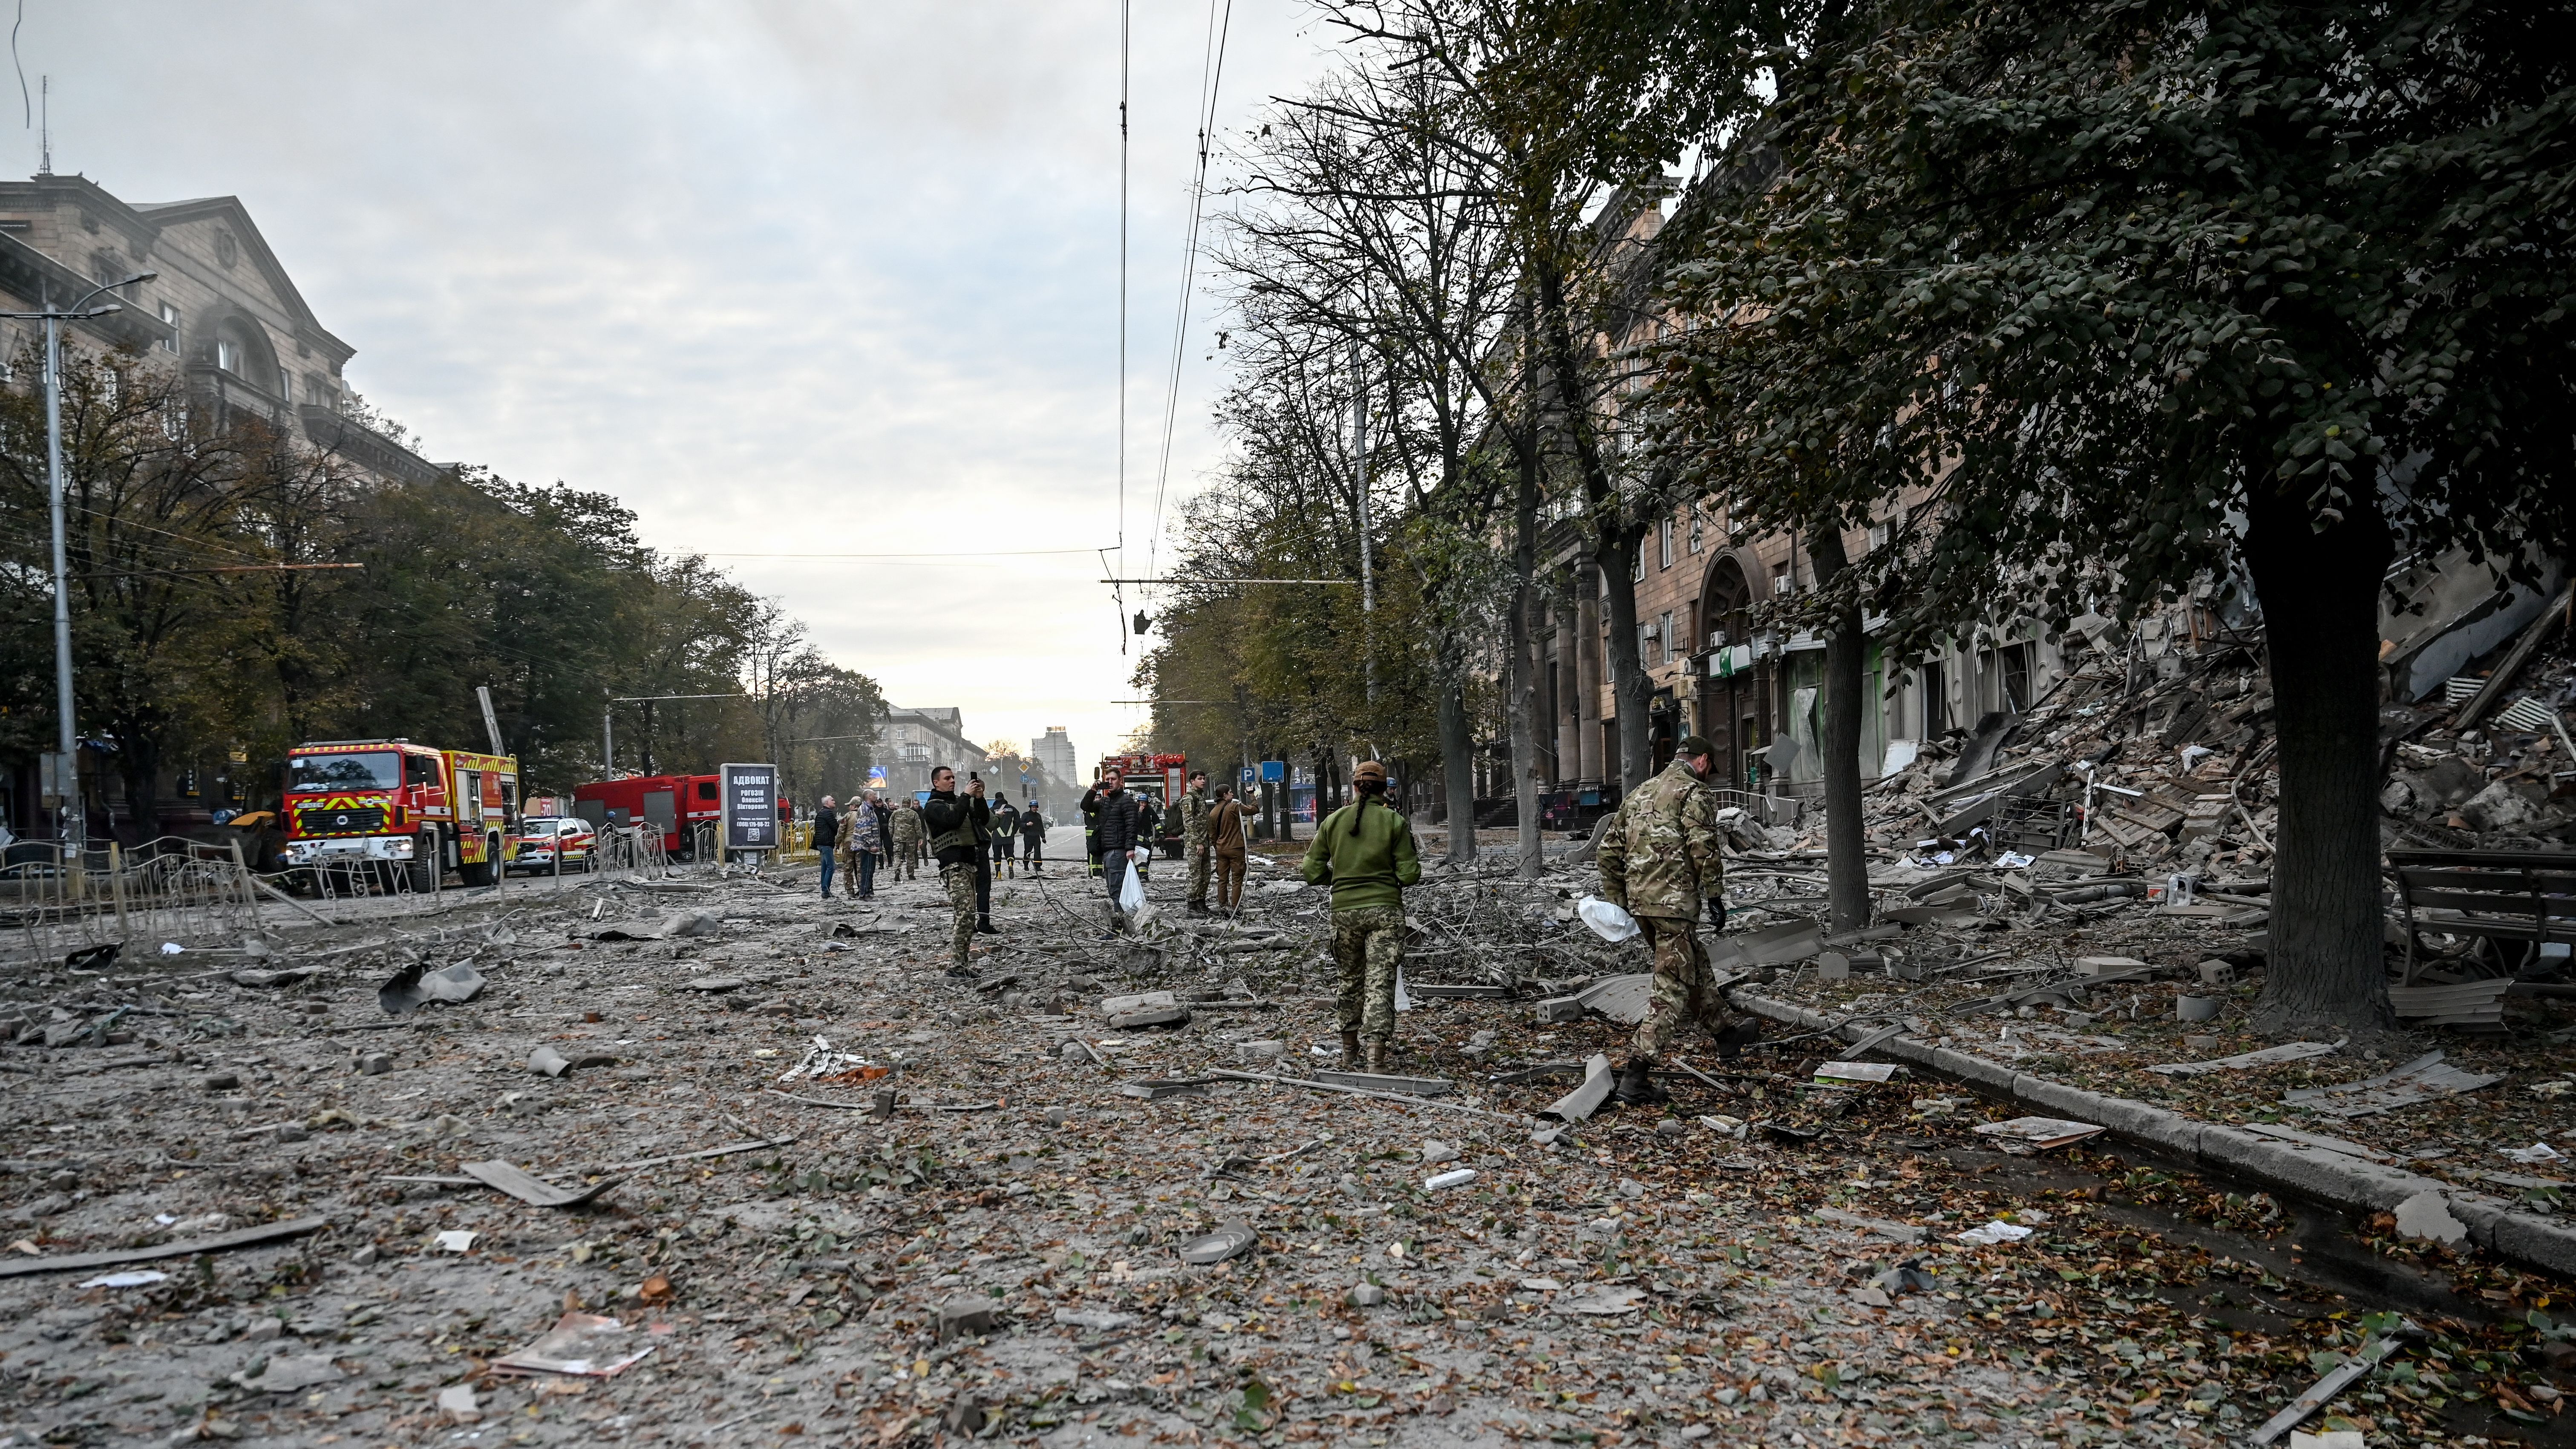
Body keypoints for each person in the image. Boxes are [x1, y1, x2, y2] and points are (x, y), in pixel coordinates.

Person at [1597, 733, 1760, 1107]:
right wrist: (1716, 895)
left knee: (1695, 966)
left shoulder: (1640, 792)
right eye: (1709, 768)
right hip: (1674, 908)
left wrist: (1621, 901)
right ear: (1702, 760)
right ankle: (1636, 1076)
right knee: (1671, 987)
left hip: (1643, 908)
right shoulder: (1694, 793)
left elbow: (1607, 852)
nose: (1708, 775)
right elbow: (1703, 845)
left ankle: (1726, 1036)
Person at [1301, 759, 1421, 1071]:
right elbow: (1409, 875)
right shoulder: (1394, 822)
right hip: (1385, 911)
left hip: (1344, 912)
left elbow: (1311, 871)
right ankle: (1376, 1058)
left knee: (1349, 979)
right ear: (1384, 789)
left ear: (1354, 787)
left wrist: (1340, 880)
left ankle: (1348, 1052)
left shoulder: (1333, 821)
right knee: (1380, 982)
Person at [920, 765, 990, 979]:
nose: (952, 781)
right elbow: (953, 820)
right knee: (966, 914)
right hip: (954, 867)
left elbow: (983, 820)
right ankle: (956, 967)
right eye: (947, 778)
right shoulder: (933, 807)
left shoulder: (960, 803)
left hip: (970, 864)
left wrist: (978, 798)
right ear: (936, 783)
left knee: (965, 915)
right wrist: (966, 796)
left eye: (954, 778)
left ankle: (962, 964)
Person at [1081, 768, 1145, 933]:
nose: (1110, 782)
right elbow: (1086, 806)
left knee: (1117, 890)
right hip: (1107, 852)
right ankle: (1121, 925)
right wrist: (1093, 791)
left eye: (1113, 779)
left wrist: (1130, 848)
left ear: (1120, 781)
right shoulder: (1105, 802)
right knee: (1112, 889)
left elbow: (1132, 827)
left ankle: (1121, 928)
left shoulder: (1127, 802)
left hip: (1119, 852)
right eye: (1107, 779)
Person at [1210, 784, 1248, 914]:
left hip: (1221, 850)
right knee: (1237, 879)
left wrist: (1218, 847)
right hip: (1236, 849)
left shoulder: (1213, 812)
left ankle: (1223, 907)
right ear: (1225, 795)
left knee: (1222, 879)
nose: (1233, 795)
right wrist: (1252, 795)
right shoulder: (1234, 807)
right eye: (1231, 793)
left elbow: (1213, 835)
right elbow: (1253, 810)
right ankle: (1235, 908)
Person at [1179, 769, 1213, 916]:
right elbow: (1188, 822)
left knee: (1206, 874)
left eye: (1204, 778)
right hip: (1195, 844)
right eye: (1200, 779)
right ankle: (1191, 906)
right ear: (1192, 781)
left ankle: (1201, 902)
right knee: (1196, 874)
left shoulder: (1201, 797)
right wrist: (1197, 842)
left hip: (1204, 842)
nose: (1203, 781)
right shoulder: (1189, 798)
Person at [845, 794, 879, 899]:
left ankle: (867, 891)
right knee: (866, 869)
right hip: (866, 846)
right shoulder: (865, 809)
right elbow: (865, 829)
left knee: (869, 869)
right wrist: (872, 844)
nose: (876, 796)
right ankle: (864, 893)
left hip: (867, 845)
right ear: (869, 796)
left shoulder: (869, 809)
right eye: (874, 794)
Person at [811, 795, 840, 898]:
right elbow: (836, 827)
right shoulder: (828, 813)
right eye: (832, 800)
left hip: (820, 843)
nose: (834, 801)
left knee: (825, 867)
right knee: (831, 867)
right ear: (827, 802)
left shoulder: (821, 813)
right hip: (826, 843)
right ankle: (826, 891)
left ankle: (824, 889)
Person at [890, 797, 924, 881]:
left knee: (897, 855)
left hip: (898, 838)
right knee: (910, 856)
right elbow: (918, 827)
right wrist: (920, 837)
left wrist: (892, 836)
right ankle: (911, 874)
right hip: (910, 838)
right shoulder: (913, 814)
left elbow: (891, 825)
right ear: (909, 804)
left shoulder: (895, 813)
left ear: (902, 803)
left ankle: (897, 870)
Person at [992, 794, 1021, 878]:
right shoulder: (1012, 809)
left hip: (997, 837)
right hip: (1009, 837)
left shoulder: (992, 809)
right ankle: (1010, 863)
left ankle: (999, 875)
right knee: (1010, 853)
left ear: (996, 799)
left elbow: (988, 821)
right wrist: (1013, 832)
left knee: (997, 855)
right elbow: (1018, 821)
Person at [1019, 800, 1047, 873]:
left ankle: (1038, 866)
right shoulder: (1026, 815)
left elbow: (1041, 827)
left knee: (1038, 851)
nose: (1034, 809)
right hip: (1028, 836)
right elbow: (1020, 824)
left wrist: (1043, 837)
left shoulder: (1038, 816)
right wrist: (1027, 824)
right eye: (1033, 807)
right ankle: (1026, 865)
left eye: (1035, 807)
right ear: (1030, 808)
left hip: (1036, 837)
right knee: (1027, 851)